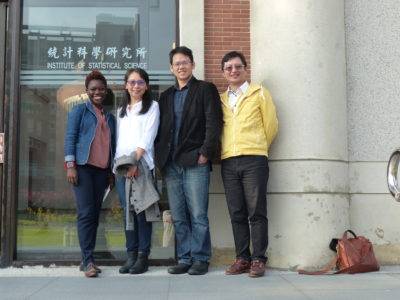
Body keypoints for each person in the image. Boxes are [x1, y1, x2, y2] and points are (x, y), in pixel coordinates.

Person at [155, 46, 222, 275]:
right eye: (177, 64)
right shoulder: (166, 96)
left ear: (193, 65)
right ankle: (184, 258)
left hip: (195, 161)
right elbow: (161, 130)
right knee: (179, 215)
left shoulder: (205, 89)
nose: (181, 67)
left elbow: (214, 122)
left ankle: (201, 259)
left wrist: (206, 153)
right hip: (171, 164)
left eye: (185, 62)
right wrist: (160, 159)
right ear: (171, 68)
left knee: (198, 215)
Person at [220, 51, 278, 278]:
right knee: (236, 212)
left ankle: (258, 259)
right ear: (223, 73)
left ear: (245, 69)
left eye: (237, 67)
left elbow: (271, 125)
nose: (233, 71)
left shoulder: (260, 93)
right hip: (228, 160)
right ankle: (242, 257)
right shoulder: (221, 99)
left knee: (256, 212)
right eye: (229, 68)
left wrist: (258, 146)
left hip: (254, 159)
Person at [64, 70, 116, 278]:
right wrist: (71, 165)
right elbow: (70, 137)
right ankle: (88, 261)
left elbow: (112, 146)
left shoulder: (109, 116)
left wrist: (111, 172)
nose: (97, 92)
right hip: (83, 168)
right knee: (86, 214)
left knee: (94, 214)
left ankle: (87, 257)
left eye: (101, 89)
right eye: (93, 89)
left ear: (106, 91)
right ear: (87, 91)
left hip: (102, 171)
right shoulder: (79, 111)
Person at [114, 68, 160, 274]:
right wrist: (118, 165)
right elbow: (119, 142)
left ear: (146, 86)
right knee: (128, 213)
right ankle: (130, 255)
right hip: (121, 167)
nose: (136, 86)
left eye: (140, 82)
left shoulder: (152, 107)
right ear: (126, 85)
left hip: (140, 165)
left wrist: (134, 161)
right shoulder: (121, 111)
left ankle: (143, 256)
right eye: (132, 82)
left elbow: (147, 137)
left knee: (142, 212)